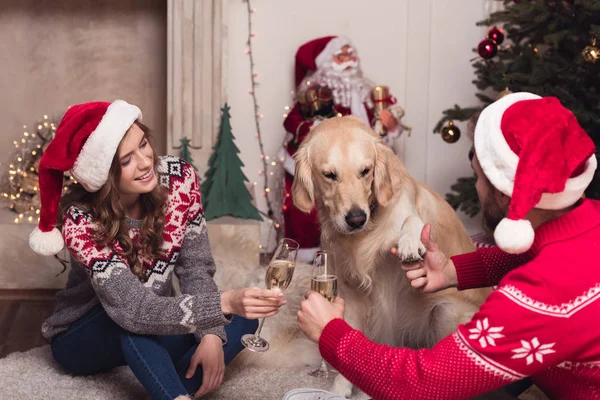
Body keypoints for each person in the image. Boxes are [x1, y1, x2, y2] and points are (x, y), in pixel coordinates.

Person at [294, 92, 600, 399]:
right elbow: (535, 256)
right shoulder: (588, 223)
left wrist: (332, 335)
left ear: (506, 193)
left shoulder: (539, 295)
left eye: (477, 177)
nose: (476, 187)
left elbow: (424, 382)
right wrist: (455, 270)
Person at [29, 100, 286, 400]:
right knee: (131, 323)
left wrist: (212, 334)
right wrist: (223, 304)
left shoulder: (179, 180)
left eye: (144, 144)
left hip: (150, 319)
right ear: (105, 175)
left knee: (246, 319)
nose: (145, 161)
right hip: (83, 336)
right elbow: (135, 310)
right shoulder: (81, 221)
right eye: (126, 160)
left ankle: (173, 389)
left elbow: (195, 268)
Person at [280, 36, 410, 262]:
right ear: (327, 64)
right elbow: (293, 123)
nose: (349, 61)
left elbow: (376, 132)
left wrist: (388, 125)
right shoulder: (315, 98)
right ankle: (311, 258)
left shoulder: (365, 97)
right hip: (322, 159)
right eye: (342, 57)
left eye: (351, 56)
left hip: (359, 161)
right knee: (305, 217)